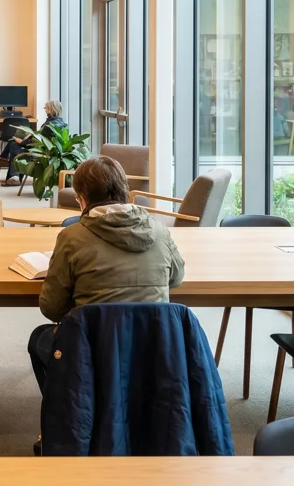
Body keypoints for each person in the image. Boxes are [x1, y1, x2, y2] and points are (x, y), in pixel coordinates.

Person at [27, 155, 184, 392]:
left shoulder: (71, 237)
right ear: (125, 191)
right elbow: (176, 277)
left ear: (82, 199)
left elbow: (51, 308)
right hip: (154, 347)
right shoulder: (160, 232)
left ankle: (70, 413)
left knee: (39, 339)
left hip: (94, 349)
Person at [0, 99, 68, 185]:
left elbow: (40, 140)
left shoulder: (51, 125)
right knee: (12, 142)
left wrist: (22, 142)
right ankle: (10, 171)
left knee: (14, 145)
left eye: (45, 108)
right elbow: (41, 136)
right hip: (42, 147)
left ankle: (4, 164)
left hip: (43, 151)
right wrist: (30, 135)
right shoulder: (58, 122)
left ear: (50, 109)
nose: (45, 110)